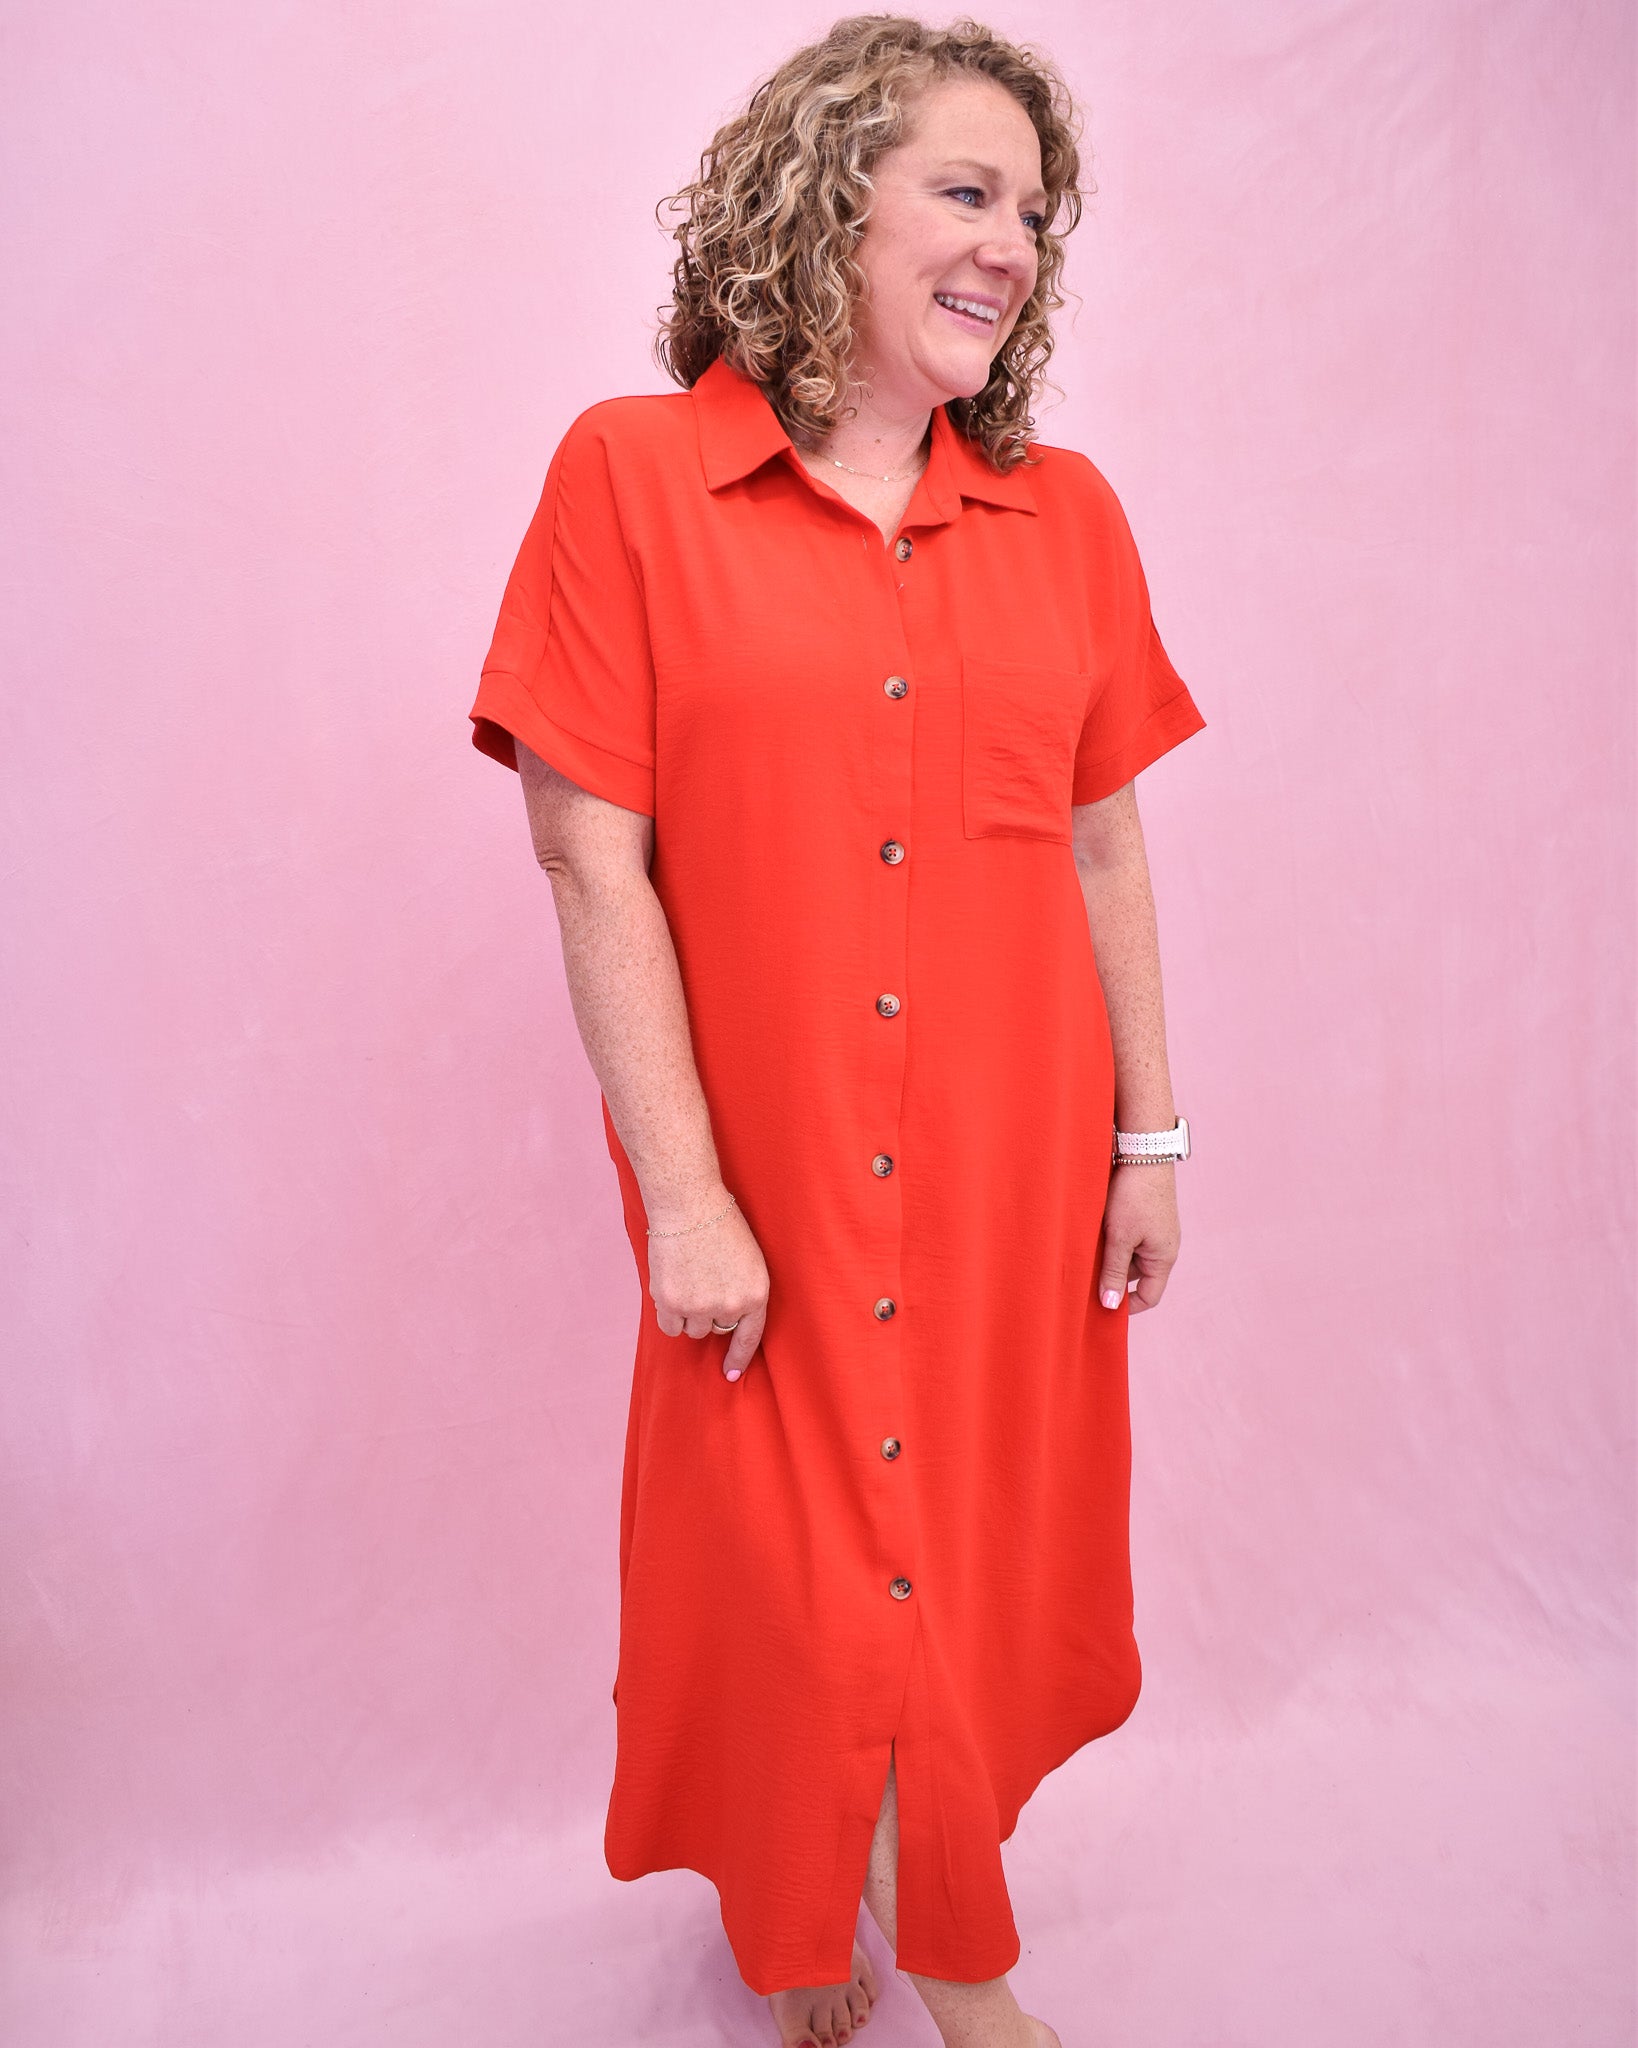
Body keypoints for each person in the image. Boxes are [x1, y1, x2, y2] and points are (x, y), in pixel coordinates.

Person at [467, 16, 1205, 2046]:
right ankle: (964, 1983)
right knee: (805, 1563)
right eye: (965, 192)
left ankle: (830, 1904)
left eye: (1033, 212)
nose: (1013, 247)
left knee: (945, 1566)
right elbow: (587, 857)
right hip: (774, 1161)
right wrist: (687, 1193)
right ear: (821, 202)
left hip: (1012, 1170)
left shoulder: (1071, 517)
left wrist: (1151, 1141)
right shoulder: (630, 475)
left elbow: (1106, 845)